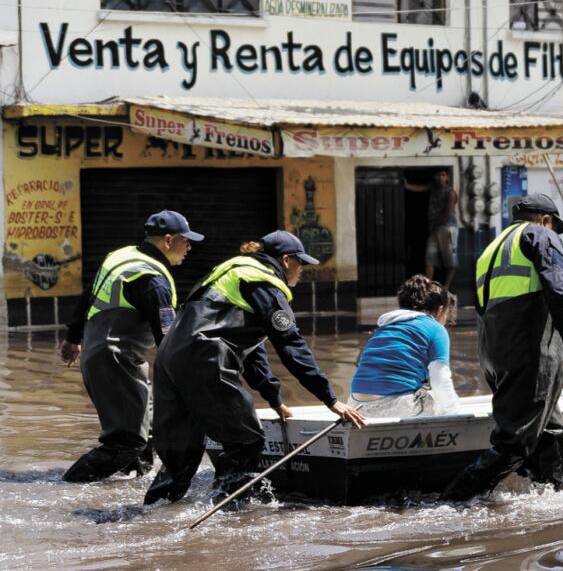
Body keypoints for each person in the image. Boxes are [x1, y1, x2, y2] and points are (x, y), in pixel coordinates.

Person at [143, 230, 366, 505]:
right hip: (205, 357)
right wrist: (330, 399)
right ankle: (229, 513)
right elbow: (291, 344)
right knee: (246, 440)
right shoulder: (264, 281)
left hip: (168, 359)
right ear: (286, 260)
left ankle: (154, 513)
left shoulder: (233, 270)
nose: (302, 272)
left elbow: (251, 348)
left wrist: (273, 398)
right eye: (301, 264)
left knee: (180, 453)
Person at [441, 193, 563, 500]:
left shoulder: (491, 248)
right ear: (546, 220)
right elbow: (560, 292)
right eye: (553, 226)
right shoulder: (541, 236)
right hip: (530, 348)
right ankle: (453, 501)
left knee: (549, 427)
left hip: (493, 351)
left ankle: (554, 494)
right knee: (514, 441)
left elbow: (481, 307)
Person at [58, 210, 203, 483]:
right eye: (186, 241)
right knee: (127, 441)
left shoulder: (121, 256)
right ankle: (67, 489)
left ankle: (129, 486)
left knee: (145, 434)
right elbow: (168, 342)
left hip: (102, 354)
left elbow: (87, 294)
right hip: (116, 361)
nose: (190, 247)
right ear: (169, 241)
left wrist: (73, 338)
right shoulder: (153, 280)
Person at [349, 275, 460, 418]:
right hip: (395, 406)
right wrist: (456, 414)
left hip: (355, 407)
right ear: (440, 310)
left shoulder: (384, 328)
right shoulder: (435, 328)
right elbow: (441, 380)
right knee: (442, 403)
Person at [404, 169, 459, 287]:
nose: (440, 178)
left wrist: (434, 224)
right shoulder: (433, 188)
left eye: (443, 175)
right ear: (434, 177)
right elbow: (419, 188)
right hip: (435, 228)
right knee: (429, 257)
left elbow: (447, 214)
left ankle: (446, 286)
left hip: (447, 228)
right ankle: (428, 285)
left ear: (447, 177)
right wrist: (407, 185)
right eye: (438, 174)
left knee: (450, 260)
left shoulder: (450, 193)